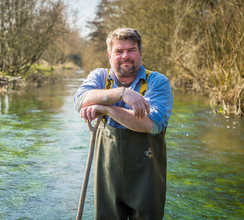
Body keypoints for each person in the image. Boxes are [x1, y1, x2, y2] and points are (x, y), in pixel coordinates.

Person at [73, 28, 173, 220]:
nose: (125, 56)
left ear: (141, 54)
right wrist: (121, 93)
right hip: (107, 180)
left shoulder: (157, 82)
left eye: (131, 50)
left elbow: (150, 124)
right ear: (110, 55)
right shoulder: (100, 77)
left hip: (147, 182)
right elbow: (80, 101)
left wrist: (106, 109)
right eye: (119, 51)